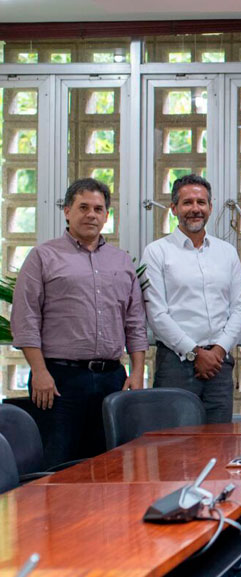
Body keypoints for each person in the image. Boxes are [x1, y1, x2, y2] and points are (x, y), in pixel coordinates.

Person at [11, 178, 146, 466]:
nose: (91, 215)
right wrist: (40, 372)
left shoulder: (121, 261)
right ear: (67, 211)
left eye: (98, 209)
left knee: (108, 464)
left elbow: (135, 321)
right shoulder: (43, 257)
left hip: (112, 379)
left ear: (107, 216)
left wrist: (136, 372)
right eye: (83, 207)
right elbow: (25, 318)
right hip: (59, 379)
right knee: (56, 463)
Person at [141, 175, 241, 424]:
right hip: (176, 365)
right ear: (174, 208)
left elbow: (239, 308)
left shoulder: (226, 252)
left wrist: (218, 350)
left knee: (219, 446)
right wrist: (195, 353)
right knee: (175, 447)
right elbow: (157, 314)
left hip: (219, 365)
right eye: (187, 202)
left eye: (201, 202)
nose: (195, 209)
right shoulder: (157, 252)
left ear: (210, 207)